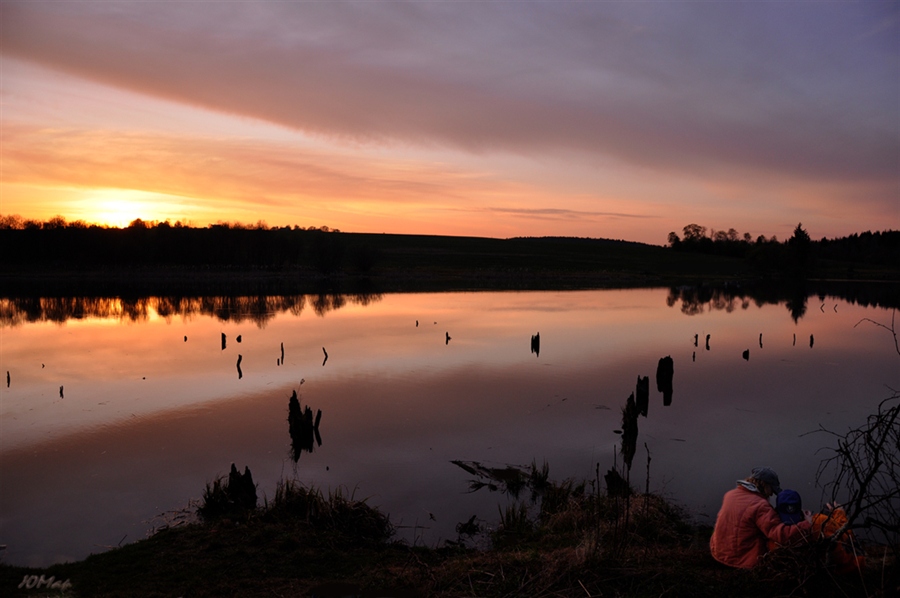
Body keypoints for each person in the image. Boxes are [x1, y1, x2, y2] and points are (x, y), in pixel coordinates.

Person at [710, 467, 811, 568]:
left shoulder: (730, 495)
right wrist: (807, 524)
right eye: (771, 489)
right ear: (764, 485)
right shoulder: (759, 505)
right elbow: (781, 535)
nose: (771, 494)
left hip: (719, 553)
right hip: (741, 560)